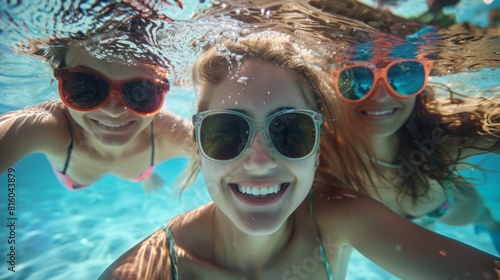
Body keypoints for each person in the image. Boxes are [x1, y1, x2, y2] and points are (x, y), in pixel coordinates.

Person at [99, 34, 500, 280]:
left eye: (290, 131)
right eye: (226, 132)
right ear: (199, 141)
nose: (258, 161)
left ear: (318, 143)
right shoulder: (146, 272)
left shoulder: (341, 217)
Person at [322, 33, 500, 253]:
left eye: (403, 76)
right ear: (335, 83)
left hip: (443, 206)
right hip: (391, 228)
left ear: (423, 81)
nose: (380, 96)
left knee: (485, 218)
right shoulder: (321, 147)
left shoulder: (440, 138)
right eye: (359, 79)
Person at [0, 42, 194, 192]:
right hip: (129, 167)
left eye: (141, 91)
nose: (114, 111)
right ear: (58, 81)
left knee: (143, 176)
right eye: (86, 87)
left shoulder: (170, 131)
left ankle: (146, 177)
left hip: (137, 169)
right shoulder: (45, 125)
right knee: (140, 174)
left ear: (162, 93)